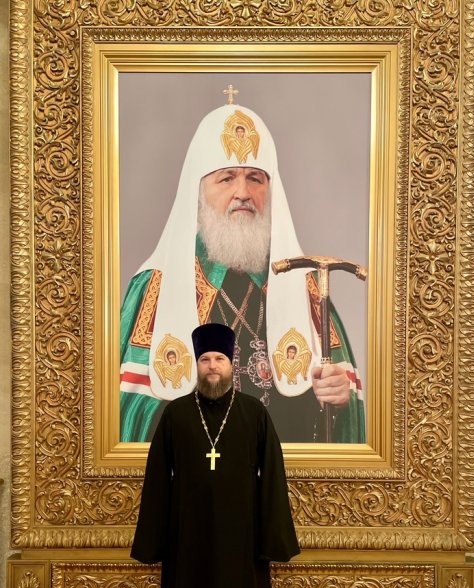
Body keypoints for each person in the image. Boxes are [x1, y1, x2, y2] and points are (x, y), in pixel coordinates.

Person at [120, 95, 365, 443]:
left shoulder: (306, 286)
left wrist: (338, 397)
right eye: (226, 178)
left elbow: (340, 417)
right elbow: (126, 414)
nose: (243, 193)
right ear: (198, 192)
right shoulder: (155, 288)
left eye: (255, 178)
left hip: (280, 471)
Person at [130, 323, 300, 588]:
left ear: (231, 364)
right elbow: (158, 480)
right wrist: (155, 540)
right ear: (196, 363)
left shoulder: (254, 414)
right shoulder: (175, 415)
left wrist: (271, 539)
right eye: (205, 359)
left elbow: (272, 478)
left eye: (219, 359)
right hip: (187, 542)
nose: (211, 367)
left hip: (241, 545)